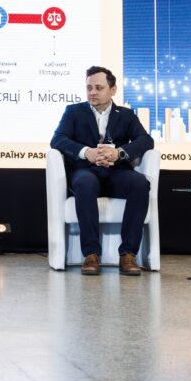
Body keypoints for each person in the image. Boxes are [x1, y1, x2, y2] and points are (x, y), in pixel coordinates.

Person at [50, 66, 154, 275]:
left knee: (140, 183)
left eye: (98, 88)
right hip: (86, 172)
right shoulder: (74, 112)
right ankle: (91, 254)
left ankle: (128, 255)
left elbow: (145, 140)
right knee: (85, 183)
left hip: (116, 173)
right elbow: (58, 139)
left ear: (112, 90)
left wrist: (119, 153)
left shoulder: (126, 115)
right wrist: (85, 152)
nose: (92, 92)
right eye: (89, 88)